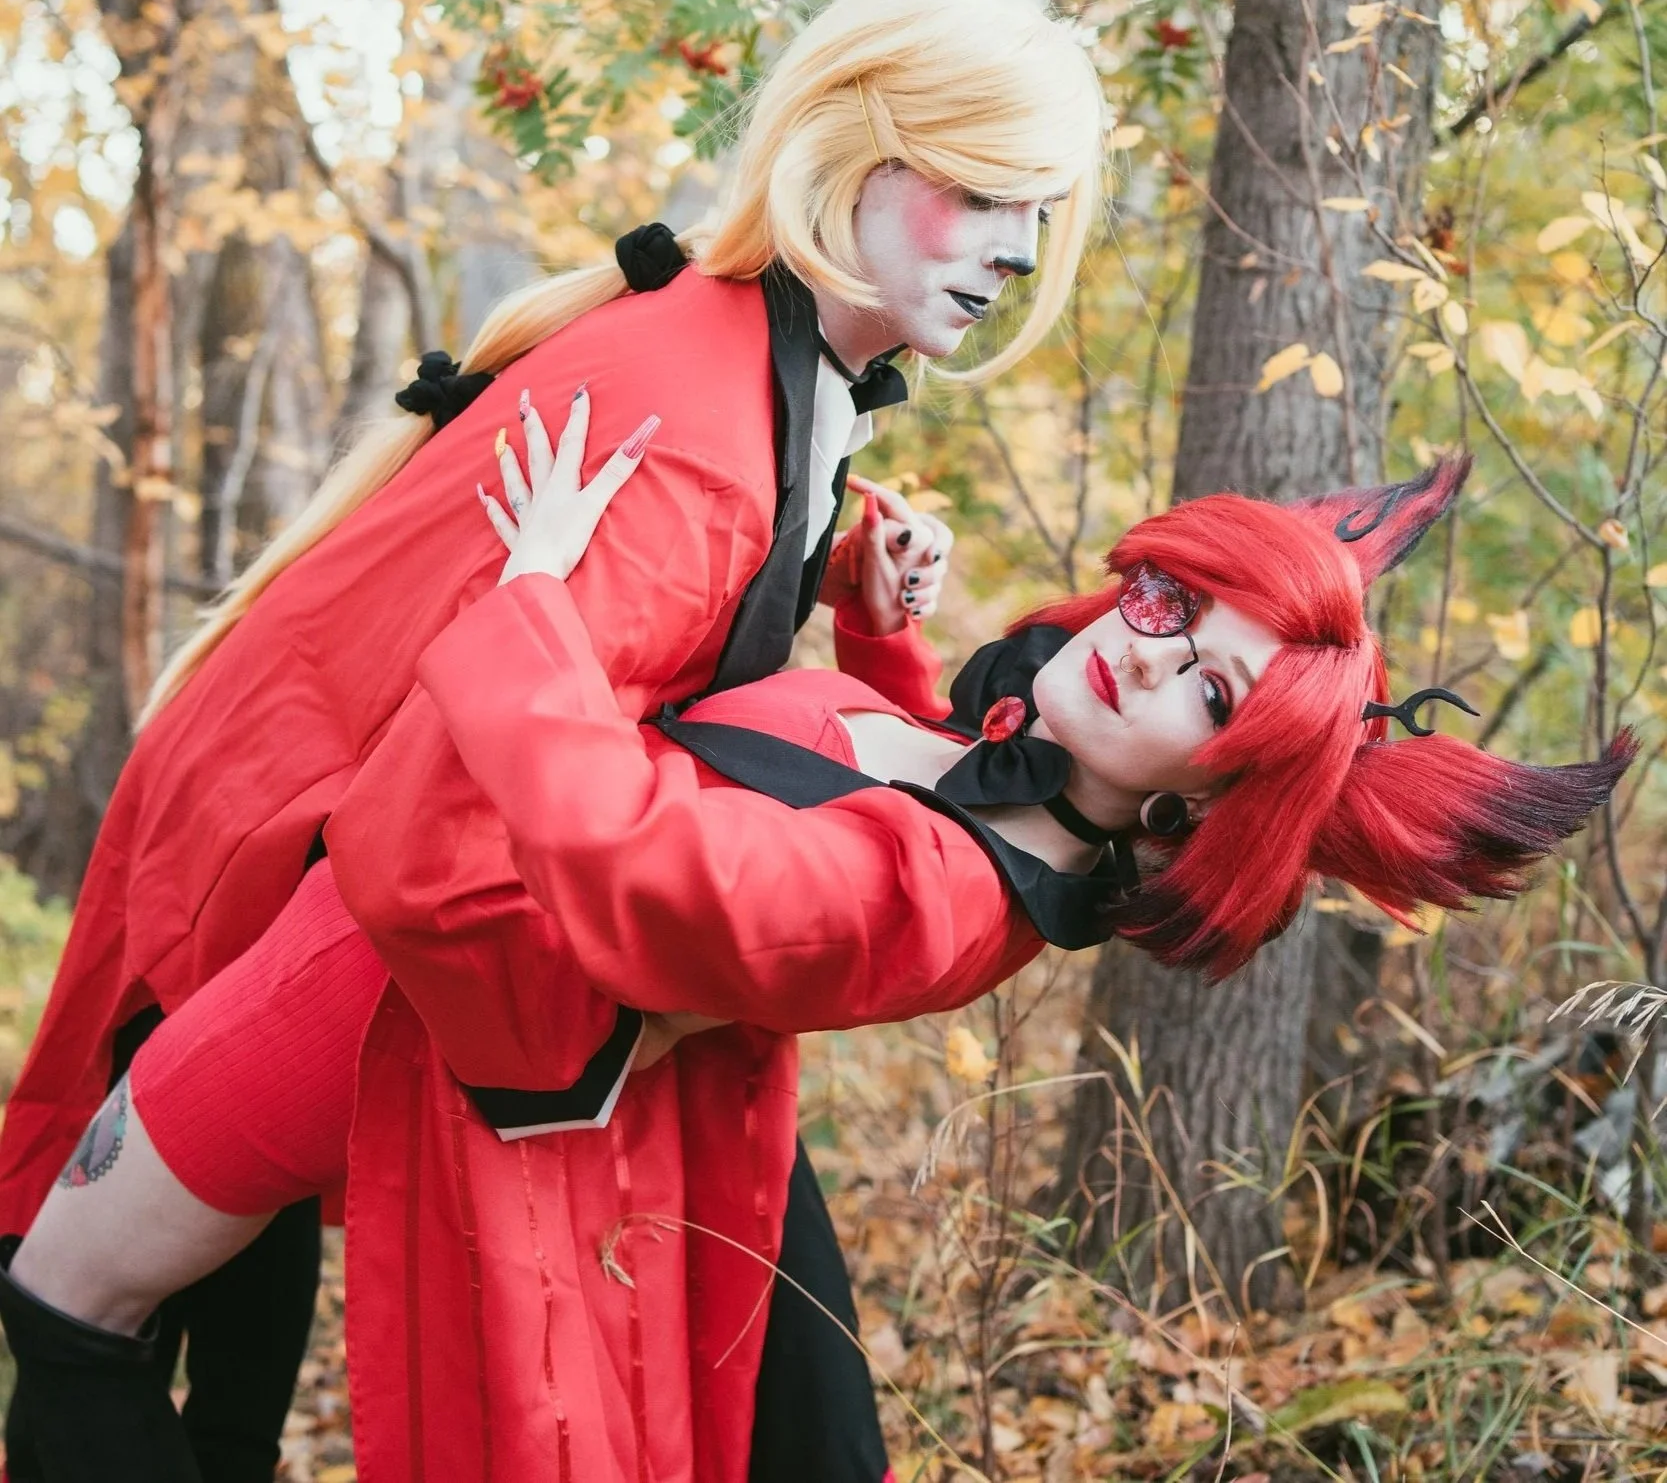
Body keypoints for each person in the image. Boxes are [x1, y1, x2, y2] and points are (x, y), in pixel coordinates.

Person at [0, 399, 1631, 1483]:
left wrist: (541, 589)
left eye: (1208, 695)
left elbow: (633, 851)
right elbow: (873, 760)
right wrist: (878, 620)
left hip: (363, 991)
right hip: (402, 955)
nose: (1149, 662)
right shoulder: (995, 775)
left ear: (1197, 812)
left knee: (68, 1306)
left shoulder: (936, 901)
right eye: (1169, 613)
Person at [0, 0, 1107, 1483]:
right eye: (983, 190)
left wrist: (851, 603)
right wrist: (573, 1080)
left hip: (429, 948)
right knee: (79, 1321)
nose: (1014, 249)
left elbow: (700, 720)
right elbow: (443, 838)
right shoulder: (704, 440)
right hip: (361, 947)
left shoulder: (765, 374)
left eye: (1036, 208)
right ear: (851, 145)